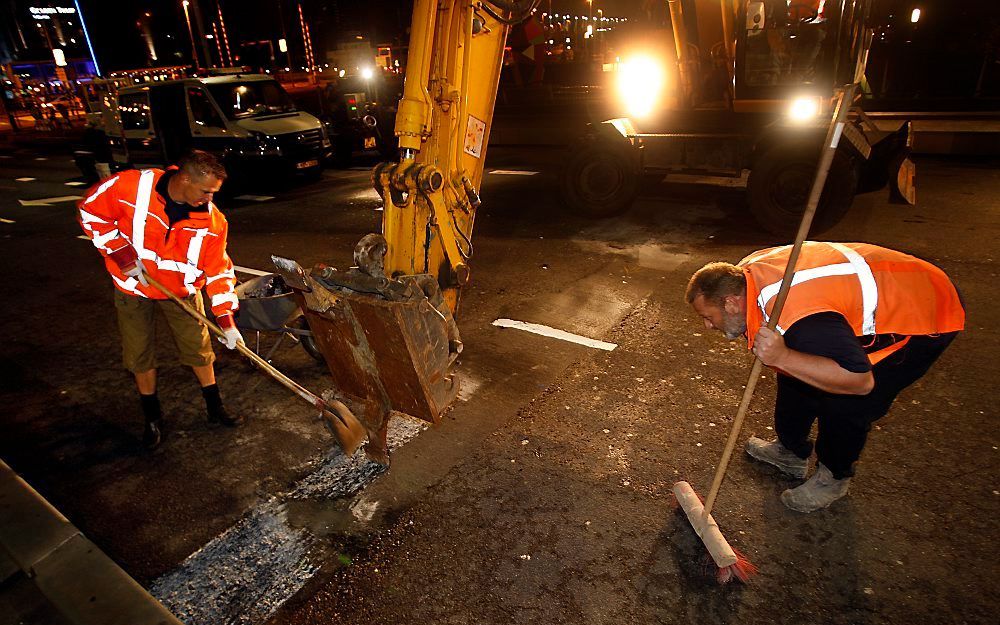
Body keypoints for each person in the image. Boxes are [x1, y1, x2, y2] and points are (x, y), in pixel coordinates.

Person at [685, 242, 965, 512]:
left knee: (845, 400)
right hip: (866, 293)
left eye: (708, 317)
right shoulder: (747, 276)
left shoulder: (802, 320)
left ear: (732, 303)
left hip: (924, 311)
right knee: (796, 364)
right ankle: (791, 450)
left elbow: (859, 381)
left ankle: (834, 477)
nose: (708, 326)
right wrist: (785, 359)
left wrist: (782, 357)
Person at [77, 150, 245, 449]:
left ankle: (214, 406)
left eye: (214, 193)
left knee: (199, 349)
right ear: (184, 178)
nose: (209, 198)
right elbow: (91, 211)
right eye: (205, 191)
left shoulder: (213, 222)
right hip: (135, 286)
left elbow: (218, 270)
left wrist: (226, 318)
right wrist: (122, 254)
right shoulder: (132, 187)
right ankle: (152, 418)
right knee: (139, 353)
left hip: (180, 292)